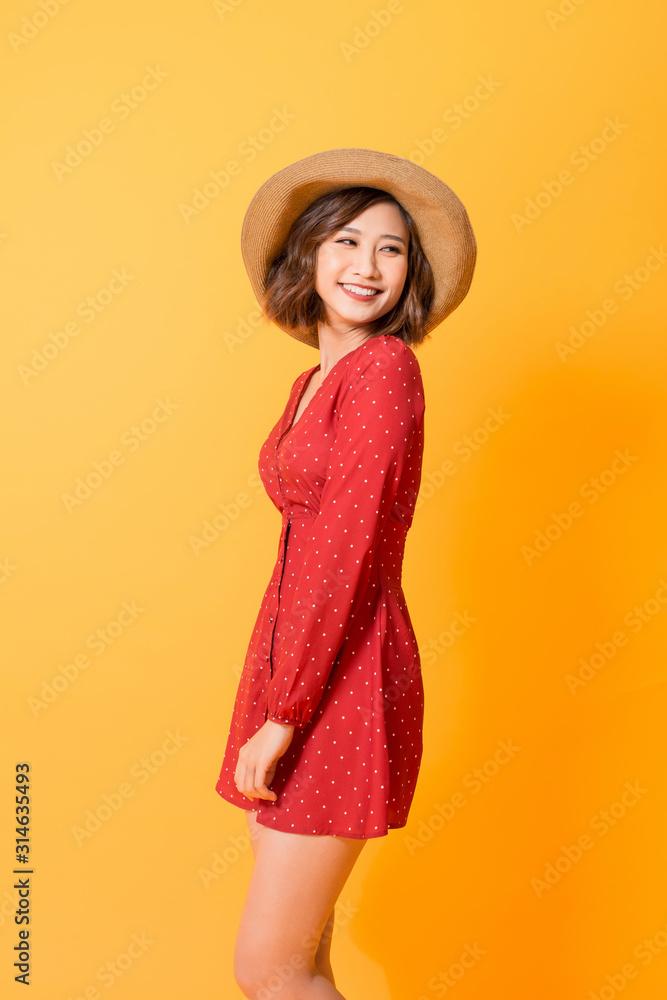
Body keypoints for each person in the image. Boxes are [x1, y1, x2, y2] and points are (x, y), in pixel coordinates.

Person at [214, 147, 477, 999]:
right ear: (307, 255)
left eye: (391, 249)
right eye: (346, 242)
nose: (366, 266)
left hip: (342, 677)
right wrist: (272, 697)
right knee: (305, 961)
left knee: (269, 968)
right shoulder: (309, 383)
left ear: (411, 273)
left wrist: (286, 715)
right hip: (292, 666)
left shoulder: (384, 372)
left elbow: (348, 551)